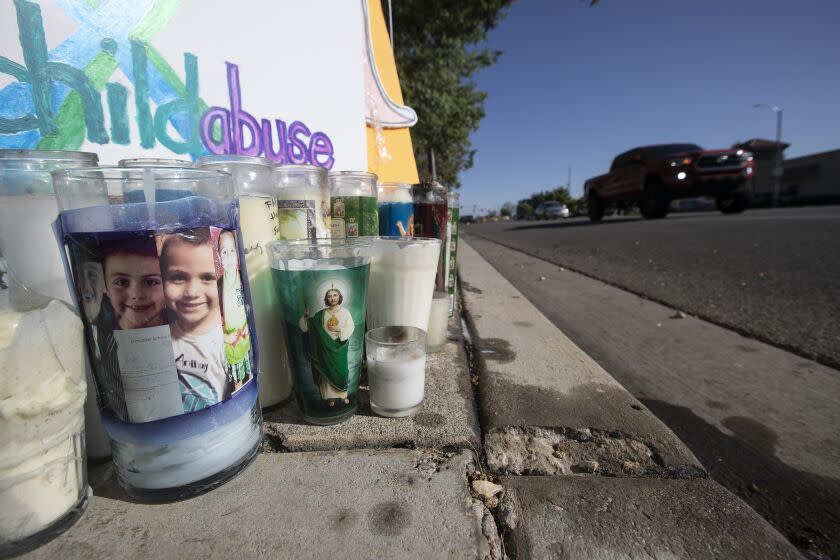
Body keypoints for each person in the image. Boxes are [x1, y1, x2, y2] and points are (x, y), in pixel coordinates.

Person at [159, 229, 229, 412]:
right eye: (178, 278)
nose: (192, 292)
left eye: (207, 278)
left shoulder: (228, 341)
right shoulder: (160, 340)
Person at [299, 287, 354, 403]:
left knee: (342, 372)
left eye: (335, 295)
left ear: (339, 297)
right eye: (329, 296)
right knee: (326, 371)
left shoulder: (345, 312)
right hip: (323, 348)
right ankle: (330, 398)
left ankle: (343, 396)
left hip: (339, 347)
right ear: (326, 299)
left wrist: (339, 329)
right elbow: (306, 328)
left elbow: (350, 327)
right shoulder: (321, 314)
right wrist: (305, 318)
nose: (332, 298)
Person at [218, 230, 252, 390]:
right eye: (224, 252)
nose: (229, 256)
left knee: (250, 374)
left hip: (248, 341)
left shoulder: (245, 279)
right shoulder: (217, 287)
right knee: (237, 384)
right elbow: (214, 321)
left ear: (238, 254)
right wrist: (225, 337)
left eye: (232, 250)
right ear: (219, 257)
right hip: (232, 345)